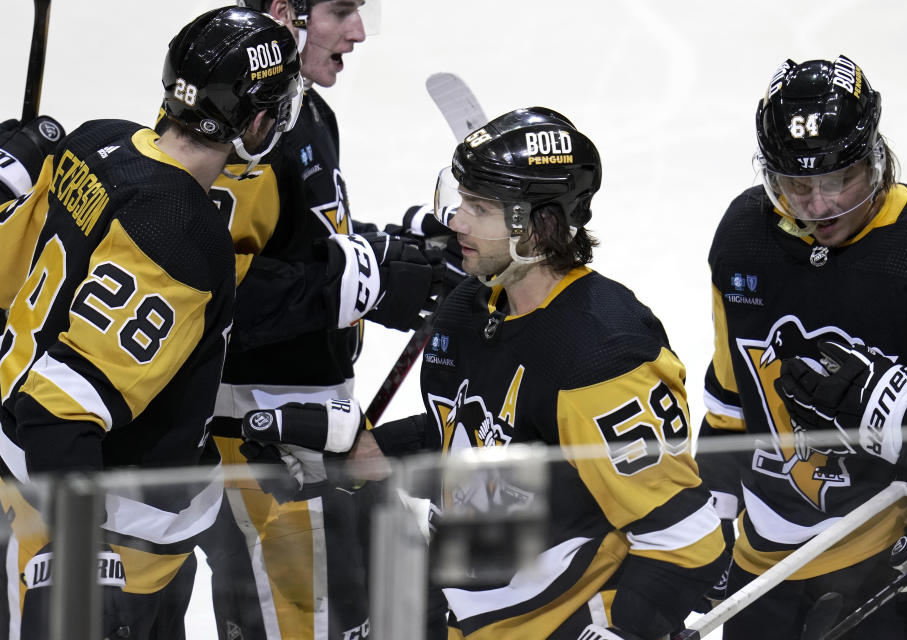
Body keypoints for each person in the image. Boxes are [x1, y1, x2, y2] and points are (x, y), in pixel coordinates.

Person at [287, 106, 728, 639]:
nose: (456, 221)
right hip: (471, 610)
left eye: (479, 207)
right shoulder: (468, 309)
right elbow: (471, 440)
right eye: (461, 199)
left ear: (538, 225)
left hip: (557, 621)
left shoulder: (603, 357)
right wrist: (367, 452)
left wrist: (624, 629)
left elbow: (686, 540)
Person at [0, 6, 302, 638]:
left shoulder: (93, 141)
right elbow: (58, 411)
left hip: (20, 486)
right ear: (255, 119)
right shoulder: (183, 232)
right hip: (111, 542)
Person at [175, 1, 445, 639]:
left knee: (389, 601)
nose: (357, 32)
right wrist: (368, 281)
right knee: (307, 623)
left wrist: (402, 249)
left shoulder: (303, 109)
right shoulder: (243, 132)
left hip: (323, 421)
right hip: (261, 438)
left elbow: (303, 242)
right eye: (341, 10)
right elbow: (205, 295)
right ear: (282, 12)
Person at [697, 54, 907, 638]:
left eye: (841, 179)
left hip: (894, 558)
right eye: (797, 184)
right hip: (761, 566)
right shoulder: (745, 234)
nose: (820, 206)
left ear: (877, 158)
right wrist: (710, 514)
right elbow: (731, 393)